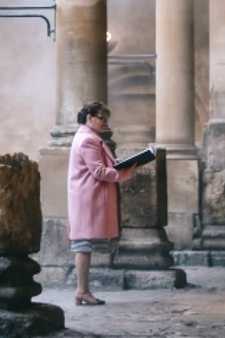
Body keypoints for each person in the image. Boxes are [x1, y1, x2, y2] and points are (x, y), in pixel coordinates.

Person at [67, 101, 136, 306]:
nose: (105, 123)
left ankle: (83, 291)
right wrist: (126, 173)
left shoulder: (87, 136)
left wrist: (118, 164)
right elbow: (98, 171)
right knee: (82, 244)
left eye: (107, 119)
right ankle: (82, 291)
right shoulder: (88, 139)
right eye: (102, 118)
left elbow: (99, 164)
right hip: (89, 196)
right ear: (90, 118)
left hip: (86, 195)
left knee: (83, 244)